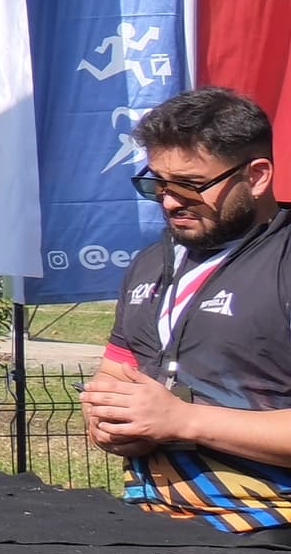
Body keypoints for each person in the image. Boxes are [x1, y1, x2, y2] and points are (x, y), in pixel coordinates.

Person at [84, 85, 291, 531]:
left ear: (257, 176)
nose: (170, 201)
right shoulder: (149, 263)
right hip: (147, 528)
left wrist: (183, 421)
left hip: (269, 533)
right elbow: (114, 376)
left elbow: (173, 418)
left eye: (192, 185)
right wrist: (108, 421)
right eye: (158, 183)